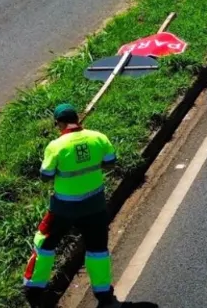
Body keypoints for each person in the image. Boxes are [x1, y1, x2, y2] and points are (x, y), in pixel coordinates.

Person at [23, 104, 121, 308]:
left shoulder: (56, 146)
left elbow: (45, 176)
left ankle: (34, 289)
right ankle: (104, 295)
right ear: (77, 118)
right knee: (97, 249)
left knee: (44, 242)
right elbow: (110, 162)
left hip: (64, 208)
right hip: (94, 206)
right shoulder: (98, 137)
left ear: (59, 123)